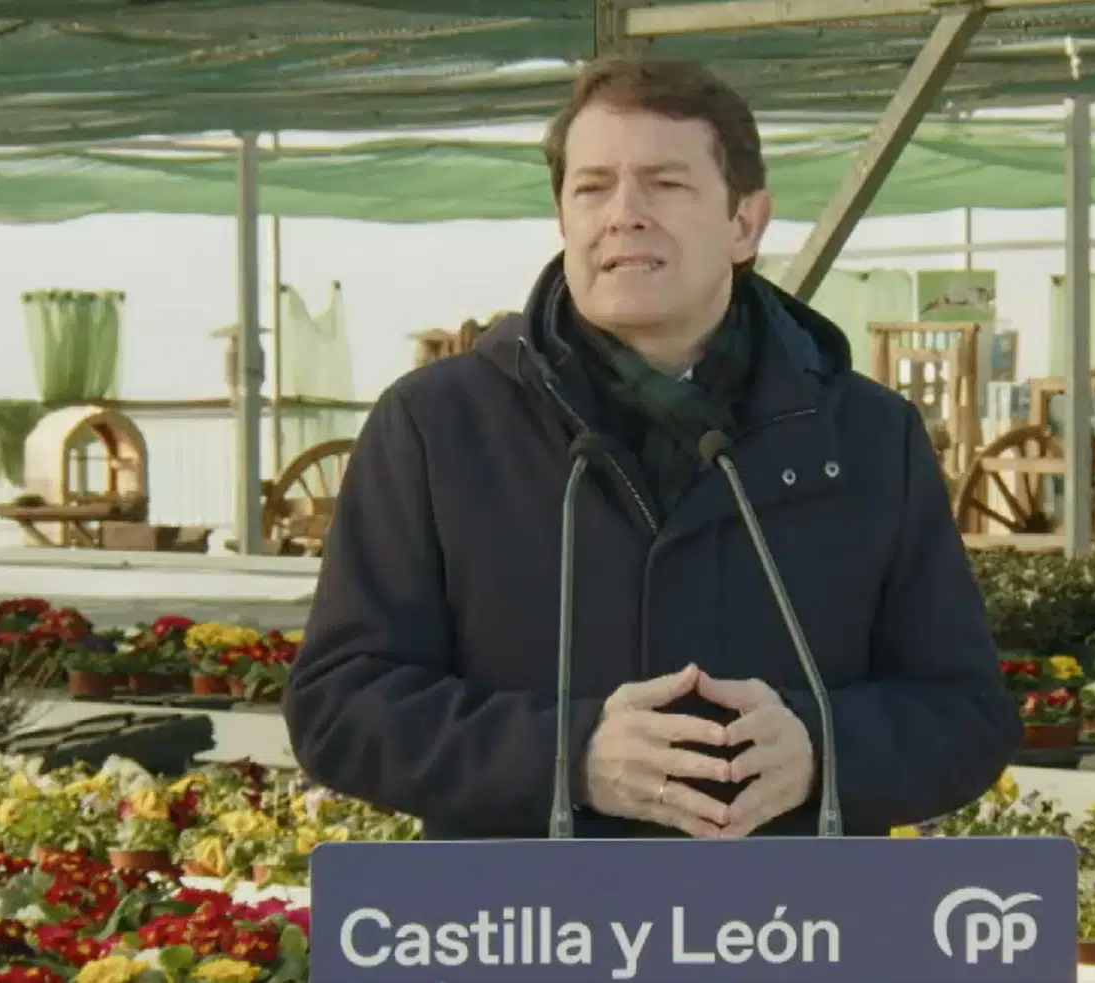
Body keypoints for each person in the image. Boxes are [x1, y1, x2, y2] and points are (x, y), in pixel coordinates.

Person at [283, 55, 1020, 841]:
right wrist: (567, 756)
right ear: (563, 217)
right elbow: (341, 705)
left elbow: (965, 711)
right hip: (522, 912)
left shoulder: (866, 436)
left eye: (666, 184)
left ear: (745, 224)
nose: (623, 214)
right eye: (592, 187)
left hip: (783, 911)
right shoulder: (437, 427)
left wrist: (821, 749)